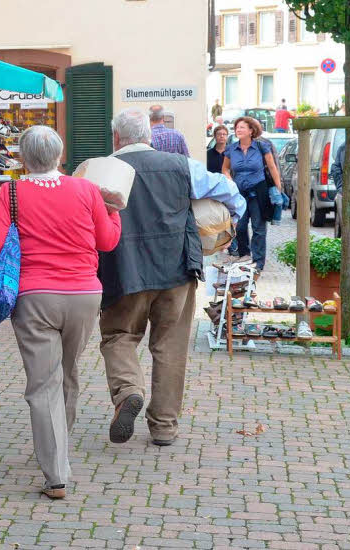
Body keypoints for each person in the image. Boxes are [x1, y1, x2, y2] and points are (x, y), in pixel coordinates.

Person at [0, 126, 121, 500]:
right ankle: (59, 445)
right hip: (85, 295)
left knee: (43, 383)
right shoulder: (87, 190)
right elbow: (106, 241)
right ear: (60, 156)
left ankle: (56, 472)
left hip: (34, 297)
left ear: (23, 158)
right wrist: (115, 213)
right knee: (67, 373)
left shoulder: (9, 192)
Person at [98, 109, 244, 447]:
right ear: (149, 136)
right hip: (178, 268)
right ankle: (164, 426)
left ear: (117, 138)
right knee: (171, 347)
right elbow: (231, 193)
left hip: (124, 270)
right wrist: (225, 224)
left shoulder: (102, 171)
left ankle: (128, 390)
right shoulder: (182, 166)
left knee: (119, 336)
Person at [221, 116, 283, 272]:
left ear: (251, 131)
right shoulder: (231, 149)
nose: (238, 130)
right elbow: (225, 169)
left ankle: (258, 261)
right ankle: (245, 255)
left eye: (242, 127)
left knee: (258, 228)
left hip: (258, 191)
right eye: (237, 128)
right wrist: (230, 181)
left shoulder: (262, 147)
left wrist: (278, 188)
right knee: (240, 227)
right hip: (239, 193)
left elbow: (272, 167)